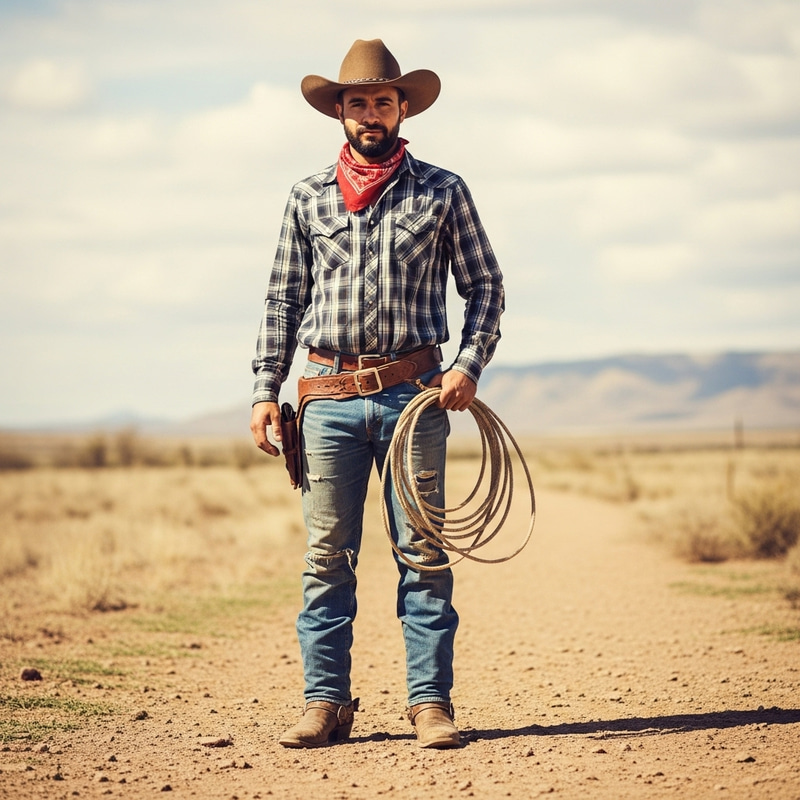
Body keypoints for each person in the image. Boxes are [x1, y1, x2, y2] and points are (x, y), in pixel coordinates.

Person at [249, 39, 504, 749]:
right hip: (326, 399)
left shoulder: (443, 191)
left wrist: (468, 365)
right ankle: (324, 703)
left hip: (415, 395)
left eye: (382, 102)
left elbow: (485, 286)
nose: (370, 113)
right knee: (326, 559)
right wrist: (265, 387)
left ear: (402, 109)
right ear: (339, 111)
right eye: (357, 102)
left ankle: (430, 705)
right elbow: (282, 298)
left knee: (422, 554)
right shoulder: (306, 197)